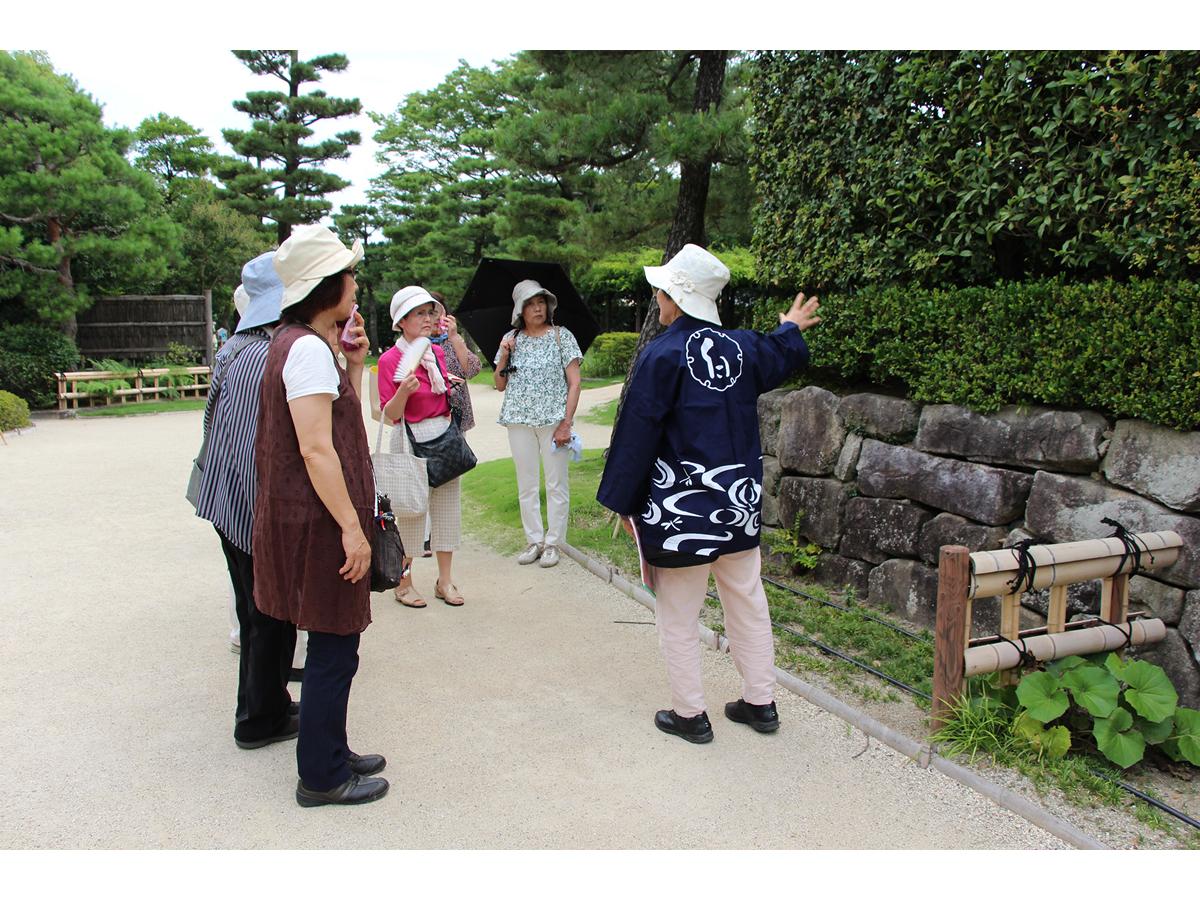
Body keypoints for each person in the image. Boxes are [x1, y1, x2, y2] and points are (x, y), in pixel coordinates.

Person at [597, 244, 821, 745]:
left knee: (679, 611)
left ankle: (690, 714)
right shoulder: (742, 348)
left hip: (681, 513)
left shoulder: (661, 354)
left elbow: (638, 433)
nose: (657, 298)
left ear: (675, 297)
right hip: (737, 505)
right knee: (747, 598)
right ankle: (761, 703)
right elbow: (777, 349)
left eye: (661, 291)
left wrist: (623, 499)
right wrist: (791, 325)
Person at [253, 224, 388, 807]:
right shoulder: (305, 350)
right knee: (335, 644)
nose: (355, 286)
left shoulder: (304, 344)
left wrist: (353, 364)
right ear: (327, 285)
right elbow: (315, 448)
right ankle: (323, 775)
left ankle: (331, 748)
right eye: (350, 276)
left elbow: (338, 423)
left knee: (335, 643)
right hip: (322, 522)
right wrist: (353, 530)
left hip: (312, 518)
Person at [194, 253, 297, 750]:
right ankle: (258, 719)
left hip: (226, 495)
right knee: (270, 614)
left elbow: (211, 421)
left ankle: (267, 703)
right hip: (256, 503)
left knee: (257, 611)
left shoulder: (235, 346)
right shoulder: (276, 353)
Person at [378, 286, 470, 608]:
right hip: (409, 437)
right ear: (401, 321)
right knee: (412, 511)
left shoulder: (436, 353)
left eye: (430, 312)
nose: (428, 318)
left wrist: (446, 385)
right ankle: (403, 583)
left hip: (443, 435)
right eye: (419, 313)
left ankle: (445, 580)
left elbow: (440, 394)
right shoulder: (391, 360)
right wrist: (403, 391)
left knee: (447, 511)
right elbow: (390, 415)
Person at [493, 279, 583, 569]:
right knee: (527, 484)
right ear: (520, 309)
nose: (537, 308)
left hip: (553, 421)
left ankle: (554, 542)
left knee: (556, 483)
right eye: (530, 304)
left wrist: (566, 424)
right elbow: (498, 384)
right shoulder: (511, 338)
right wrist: (505, 354)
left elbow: (575, 384)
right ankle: (534, 540)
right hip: (519, 421)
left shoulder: (561, 336)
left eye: (541, 302)